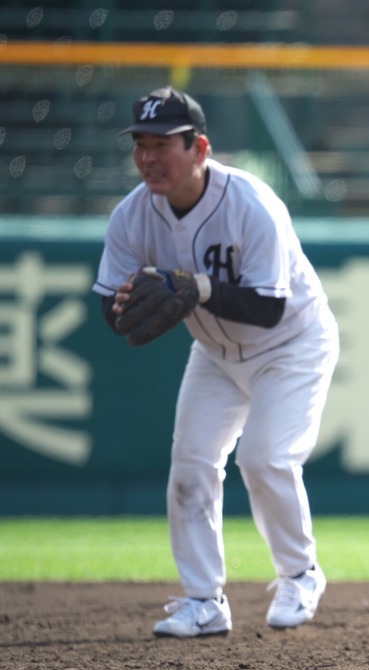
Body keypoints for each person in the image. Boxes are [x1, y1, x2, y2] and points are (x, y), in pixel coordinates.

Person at [92, 86, 339, 638]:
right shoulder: (133, 215)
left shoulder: (251, 203)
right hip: (215, 352)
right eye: (140, 146)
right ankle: (204, 600)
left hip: (292, 345)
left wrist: (196, 287)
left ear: (199, 147)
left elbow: (269, 308)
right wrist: (128, 307)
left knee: (265, 458)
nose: (149, 158)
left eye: (163, 145)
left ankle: (300, 573)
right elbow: (111, 303)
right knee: (191, 464)